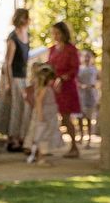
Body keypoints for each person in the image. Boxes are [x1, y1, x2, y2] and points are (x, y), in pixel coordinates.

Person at [0, 8, 32, 152]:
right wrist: (8, 83)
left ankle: (20, 136)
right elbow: (8, 63)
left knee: (24, 107)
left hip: (23, 76)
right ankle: (12, 138)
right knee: (15, 107)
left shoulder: (26, 35)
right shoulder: (13, 38)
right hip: (14, 77)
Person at [47, 21, 82, 158]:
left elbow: (75, 69)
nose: (55, 36)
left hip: (66, 87)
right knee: (50, 116)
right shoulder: (52, 49)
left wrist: (62, 78)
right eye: (53, 33)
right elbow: (50, 67)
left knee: (66, 118)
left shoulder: (71, 49)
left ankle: (74, 147)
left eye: (58, 33)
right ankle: (48, 146)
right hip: (53, 87)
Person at [24, 62, 64, 165]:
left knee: (43, 135)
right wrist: (40, 116)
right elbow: (38, 102)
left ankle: (38, 157)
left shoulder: (47, 89)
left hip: (49, 116)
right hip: (44, 116)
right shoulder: (44, 89)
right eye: (51, 79)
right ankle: (41, 158)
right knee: (43, 136)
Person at [77, 50, 100, 147]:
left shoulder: (95, 69)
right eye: (84, 56)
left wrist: (94, 86)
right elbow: (76, 81)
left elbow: (99, 81)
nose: (86, 58)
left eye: (88, 56)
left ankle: (89, 139)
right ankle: (81, 136)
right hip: (81, 95)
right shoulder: (79, 69)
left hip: (91, 95)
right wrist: (82, 86)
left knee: (90, 118)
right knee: (80, 118)